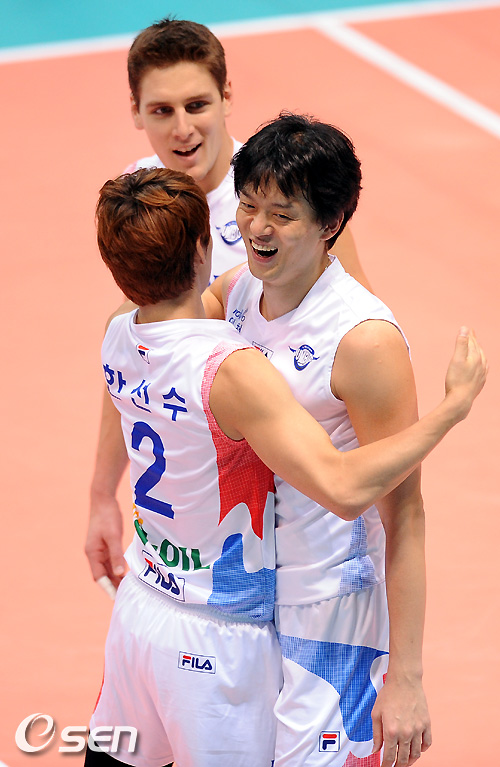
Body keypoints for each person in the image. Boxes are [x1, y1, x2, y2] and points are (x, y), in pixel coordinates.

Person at [86, 166, 485, 767]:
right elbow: (344, 487)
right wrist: (451, 409)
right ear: (203, 249)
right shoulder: (230, 369)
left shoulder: (117, 335)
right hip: (217, 637)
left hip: (141, 605)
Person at [205, 112, 487, 767]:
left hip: (331, 614)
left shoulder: (363, 341)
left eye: (282, 214)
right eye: (248, 206)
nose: (257, 227)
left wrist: (406, 677)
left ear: (331, 223)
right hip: (244, 601)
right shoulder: (239, 291)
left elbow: (405, 511)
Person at [85, 17, 369, 595]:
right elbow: (136, 353)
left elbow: (357, 330)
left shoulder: (283, 198)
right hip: (207, 510)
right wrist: (100, 496)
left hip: (302, 495)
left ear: (227, 96)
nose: (182, 129)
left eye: (197, 105)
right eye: (161, 110)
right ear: (136, 112)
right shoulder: (145, 196)